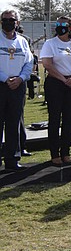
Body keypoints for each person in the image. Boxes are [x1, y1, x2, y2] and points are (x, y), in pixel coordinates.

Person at [40, 16, 71, 166]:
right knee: (55, 118)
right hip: (55, 83)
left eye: (63, 24)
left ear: (70, 27)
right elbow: (47, 64)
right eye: (57, 24)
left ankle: (65, 152)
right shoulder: (50, 43)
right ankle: (54, 153)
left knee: (68, 118)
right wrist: (62, 78)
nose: (60, 27)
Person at [0, 9, 33, 171]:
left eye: (11, 20)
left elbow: (29, 63)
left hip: (18, 85)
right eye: (5, 20)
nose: (8, 22)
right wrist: (5, 78)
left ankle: (12, 160)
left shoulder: (22, 41)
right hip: (1, 84)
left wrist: (20, 78)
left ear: (17, 22)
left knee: (14, 123)